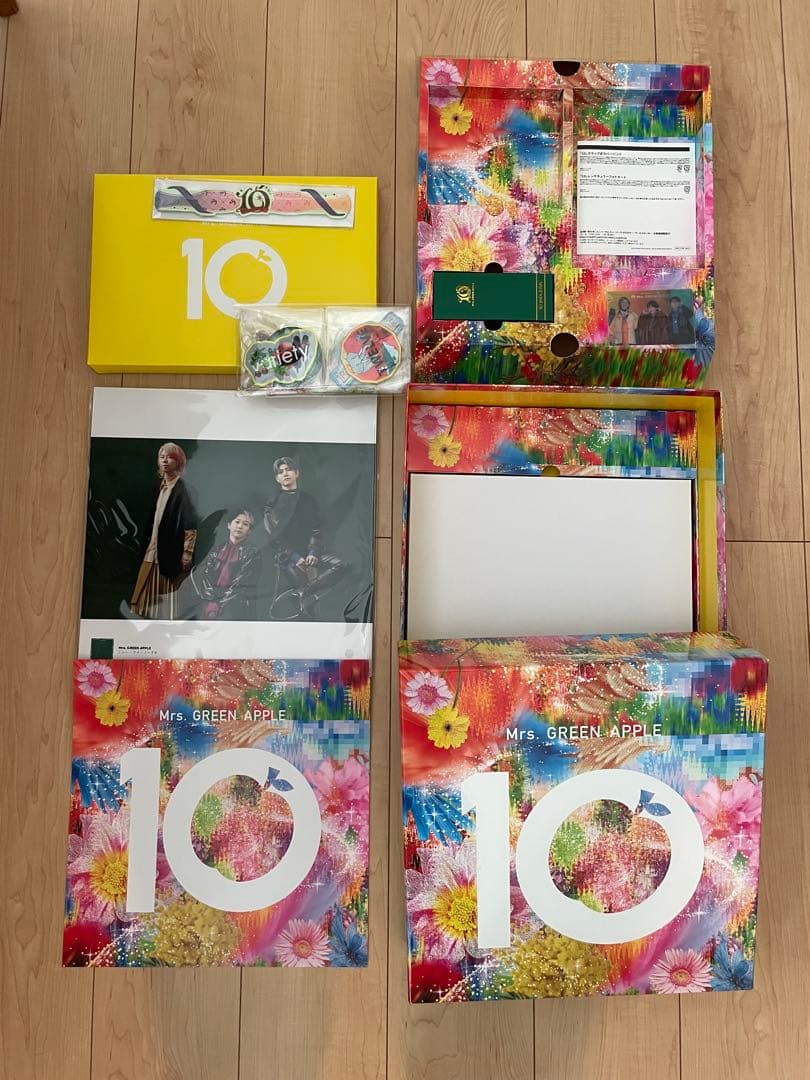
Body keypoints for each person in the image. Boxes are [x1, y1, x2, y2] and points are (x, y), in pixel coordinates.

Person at [263, 456, 346, 619]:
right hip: (288, 557)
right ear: (277, 478)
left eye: (288, 470)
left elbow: (317, 528)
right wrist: (295, 557)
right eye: (281, 472)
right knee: (307, 607)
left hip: (310, 553)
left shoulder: (309, 499)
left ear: (297, 473)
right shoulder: (272, 503)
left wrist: (313, 552)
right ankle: (306, 599)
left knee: (341, 566)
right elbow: (274, 537)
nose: (285, 473)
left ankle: (304, 591)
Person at [131, 442, 197, 618]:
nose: (165, 461)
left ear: (179, 462)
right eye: (162, 457)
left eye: (170, 457)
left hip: (171, 551)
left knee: (168, 605)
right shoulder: (158, 488)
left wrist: (187, 553)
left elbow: (191, 526)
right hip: (152, 549)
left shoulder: (185, 490)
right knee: (143, 603)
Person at [186, 508, 262, 620]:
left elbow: (241, 586)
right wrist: (211, 602)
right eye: (237, 522)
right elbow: (205, 579)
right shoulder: (216, 550)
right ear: (229, 525)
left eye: (246, 524)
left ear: (249, 531)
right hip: (208, 605)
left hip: (235, 609)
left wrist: (219, 605)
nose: (240, 526)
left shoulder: (253, 553)